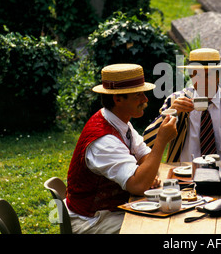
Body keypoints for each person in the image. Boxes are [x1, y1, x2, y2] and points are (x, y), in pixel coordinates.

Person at [65, 64, 177, 234]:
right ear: (118, 99)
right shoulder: (104, 140)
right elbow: (138, 185)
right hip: (91, 220)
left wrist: (147, 174)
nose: (145, 100)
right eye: (138, 95)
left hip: (110, 211)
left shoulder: (118, 121)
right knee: (158, 228)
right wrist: (161, 141)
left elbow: (144, 156)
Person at [143, 48, 221, 162]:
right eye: (197, 75)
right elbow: (147, 141)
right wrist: (172, 113)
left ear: (218, 76)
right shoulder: (176, 100)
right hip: (183, 172)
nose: (203, 81)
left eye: (208, 75)